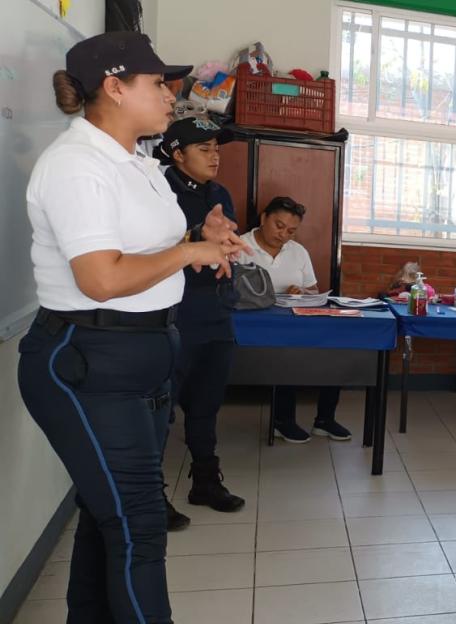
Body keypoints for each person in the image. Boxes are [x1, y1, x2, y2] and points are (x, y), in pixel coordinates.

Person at [19, 32, 246, 623]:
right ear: (115, 88)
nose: (172, 95)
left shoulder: (137, 163)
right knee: (139, 524)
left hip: (142, 353)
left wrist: (205, 237)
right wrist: (188, 253)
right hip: (88, 356)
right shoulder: (76, 165)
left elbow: (155, 247)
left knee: (108, 517)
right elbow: (100, 278)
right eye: (157, 84)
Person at [156, 117, 246, 519]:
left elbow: (222, 241)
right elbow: (153, 247)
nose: (215, 157)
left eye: (217, 148)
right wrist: (198, 234)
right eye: (204, 149)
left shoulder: (219, 192)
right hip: (177, 312)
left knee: (207, 402)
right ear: (178, 154)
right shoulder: (158, 189)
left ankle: (206, 482)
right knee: (161, 405)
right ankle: (151, 493)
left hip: (216, 310)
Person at [240, 197, 352, 442]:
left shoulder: (298, 251)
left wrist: (302, 293)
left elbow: (314, 291)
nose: (283, 235)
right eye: (278, 226)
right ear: (263, 218)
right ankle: (283, 420)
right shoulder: (239, 247)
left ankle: (325, 420)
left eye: (291, 231)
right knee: (287, 354)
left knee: (335, 351)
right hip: (256, 327)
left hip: (295, 322)